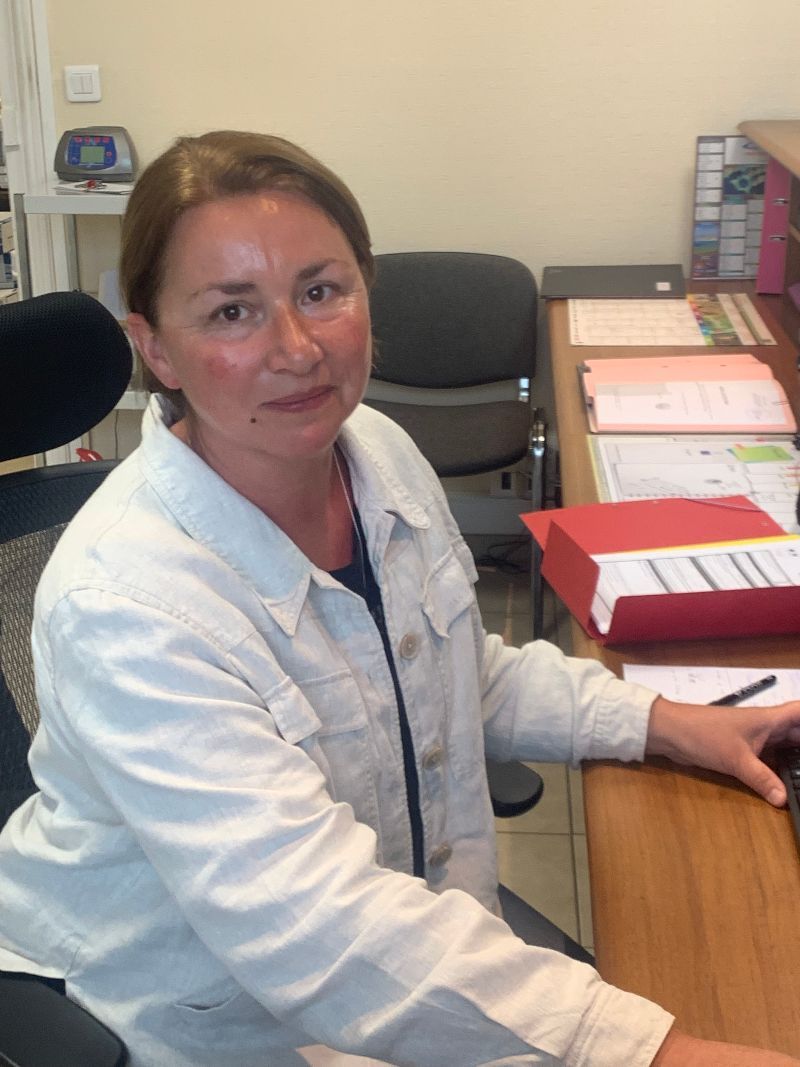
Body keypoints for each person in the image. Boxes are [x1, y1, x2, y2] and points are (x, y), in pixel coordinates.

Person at [0, 130, 799, 1067]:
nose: (297, 348)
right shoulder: (126, 604)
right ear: (157, 350)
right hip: (212, 1018)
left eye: (320, 291)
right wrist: (654, 1052)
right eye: (231, 312)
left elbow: (454, 670)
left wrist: (666, 721)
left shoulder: (375, 449)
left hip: (403, 940)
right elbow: (319, 933)